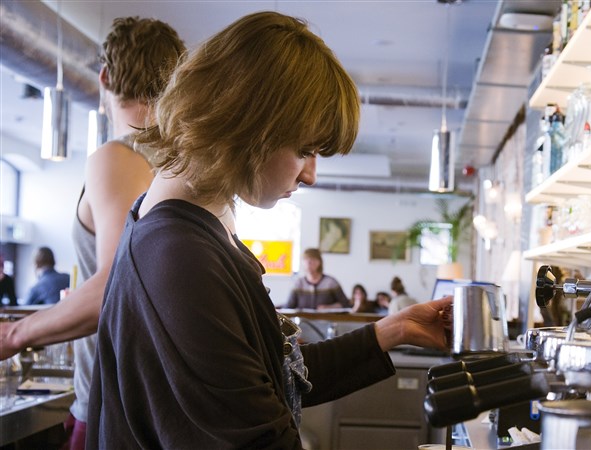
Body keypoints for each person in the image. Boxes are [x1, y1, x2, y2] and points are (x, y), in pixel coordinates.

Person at [85, 12, 452, 448]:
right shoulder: (178, 256)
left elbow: (264, 373)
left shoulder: (188, 229)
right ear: (249, 125)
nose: (310, 175)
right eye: (305, 150)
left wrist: (391, 332)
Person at [0, 17, 185, 449]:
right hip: (157, 402)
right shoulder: (179, 161)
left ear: (103, 76)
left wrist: (14, 334)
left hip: (114, 401)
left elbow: (114, 286)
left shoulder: (117, 158)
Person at [283, 248, 350, 310]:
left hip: (326, 321)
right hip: (303, 322)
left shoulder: (331, 282)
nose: (309, 263)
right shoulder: (299, 283)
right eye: (306, 260)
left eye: (312, 260)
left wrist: (329, 307)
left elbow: (345, 304)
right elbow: (289, 307)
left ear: (319, 262)